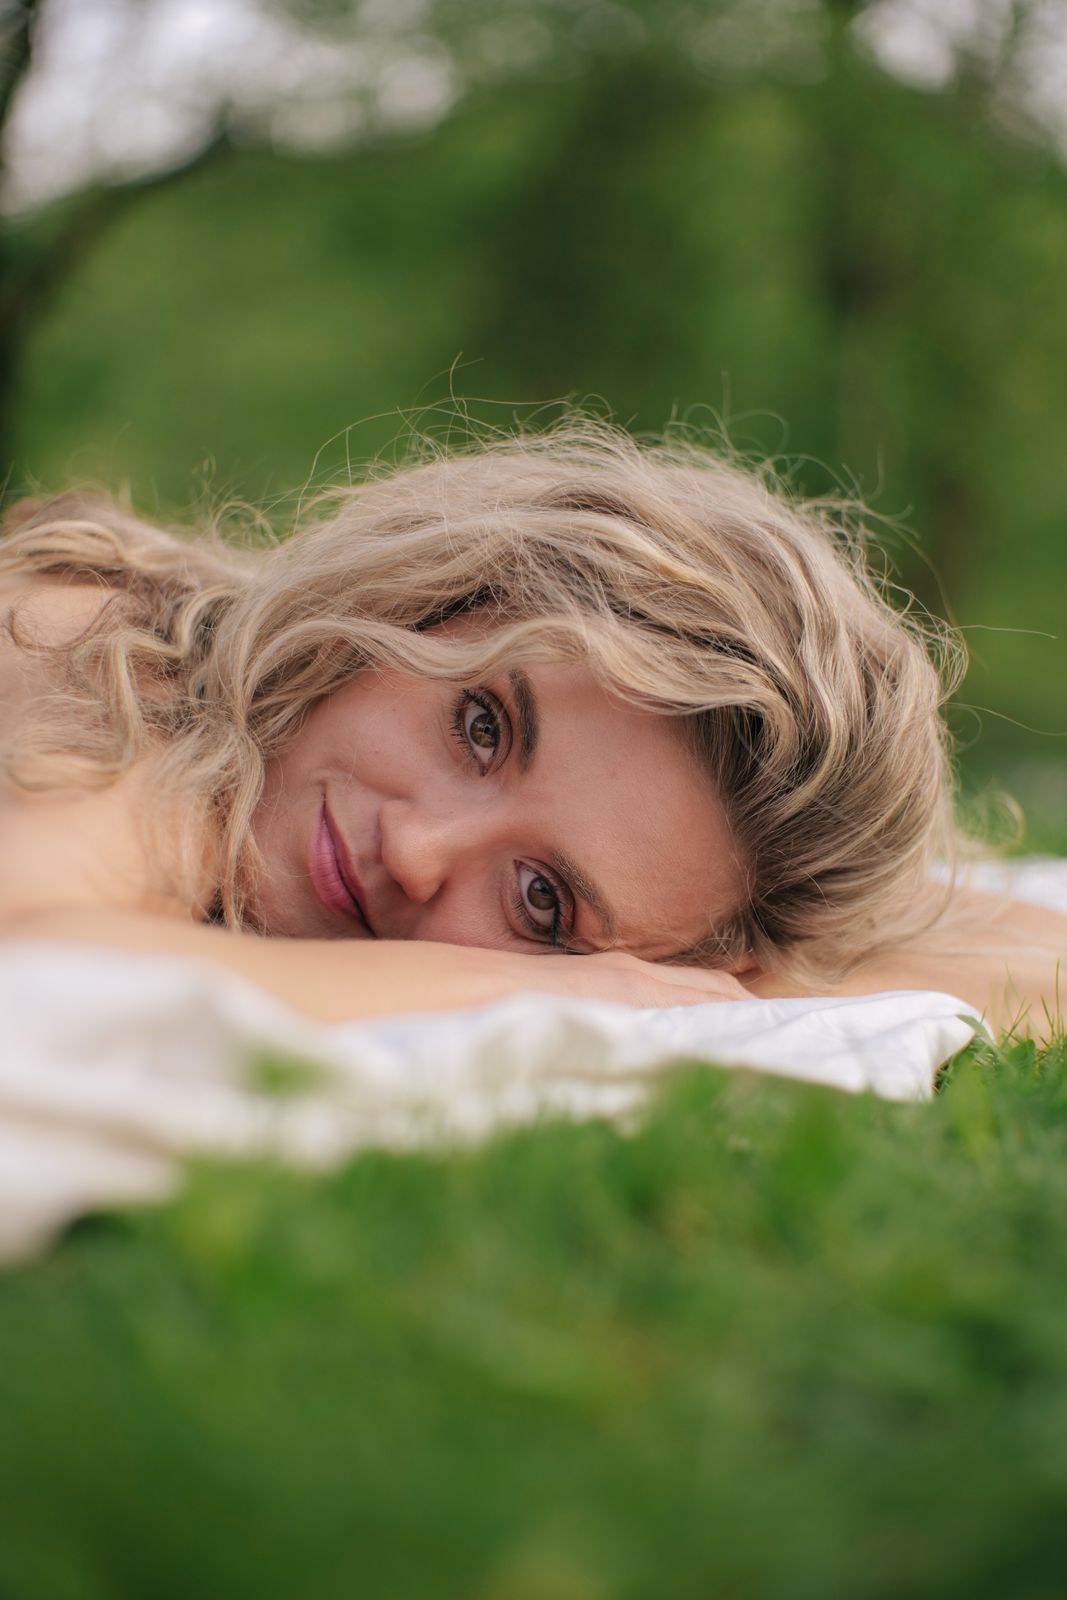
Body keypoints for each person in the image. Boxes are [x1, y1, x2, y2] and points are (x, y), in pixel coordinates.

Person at [0, 421, 1062, 1031]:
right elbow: (37, 964)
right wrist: (524, 969)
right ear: (422, 599)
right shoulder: (99, 659)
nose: (415, 852)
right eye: (478, 726)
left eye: (541, 900)